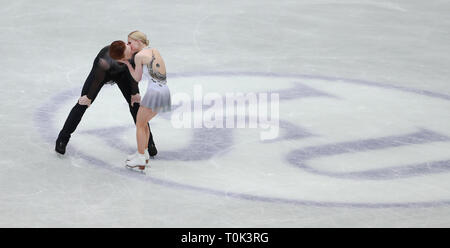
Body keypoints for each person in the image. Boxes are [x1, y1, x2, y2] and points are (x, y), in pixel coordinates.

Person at [55, 40, 158, 158]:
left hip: (125, 74)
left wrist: (134, 93)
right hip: (104, 73)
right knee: (82, 103)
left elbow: (134, 74)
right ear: (121, 59)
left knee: (136, 105)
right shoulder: (103, 61)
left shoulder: (134, 53)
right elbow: (97, 80)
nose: (131, 50)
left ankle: (149, 142)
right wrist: (88, 97)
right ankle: (62, 138)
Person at [109, 31, 171, 170]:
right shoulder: (153, 50)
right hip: (164, 91)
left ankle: (141, 157)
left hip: (155, 92)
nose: (129, 46)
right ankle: (144, 153)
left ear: (138, 41)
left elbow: (137, 78)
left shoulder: (139, 56)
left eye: (130, 42)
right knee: (143, 124)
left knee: (139, 124)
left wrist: (127, 64)